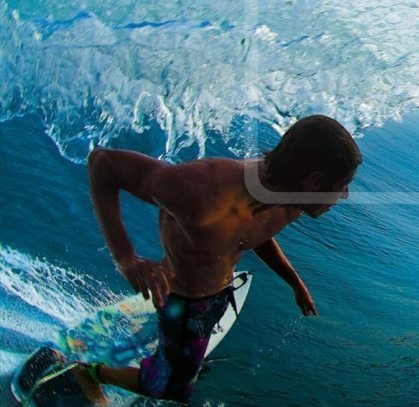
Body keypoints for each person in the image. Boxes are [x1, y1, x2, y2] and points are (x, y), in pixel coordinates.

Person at [71, 114, 362, 404]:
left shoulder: (290, 201)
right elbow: (103, 164)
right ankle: (91, 374)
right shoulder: (205, 192)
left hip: (216, 292)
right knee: (171, 389)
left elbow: (252, 234)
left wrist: (294, 282)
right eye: (344, 185)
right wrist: (126, 258)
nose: (345, 195)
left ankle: (169, 352)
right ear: (314, 181)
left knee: (184, 361)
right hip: (182, 302)